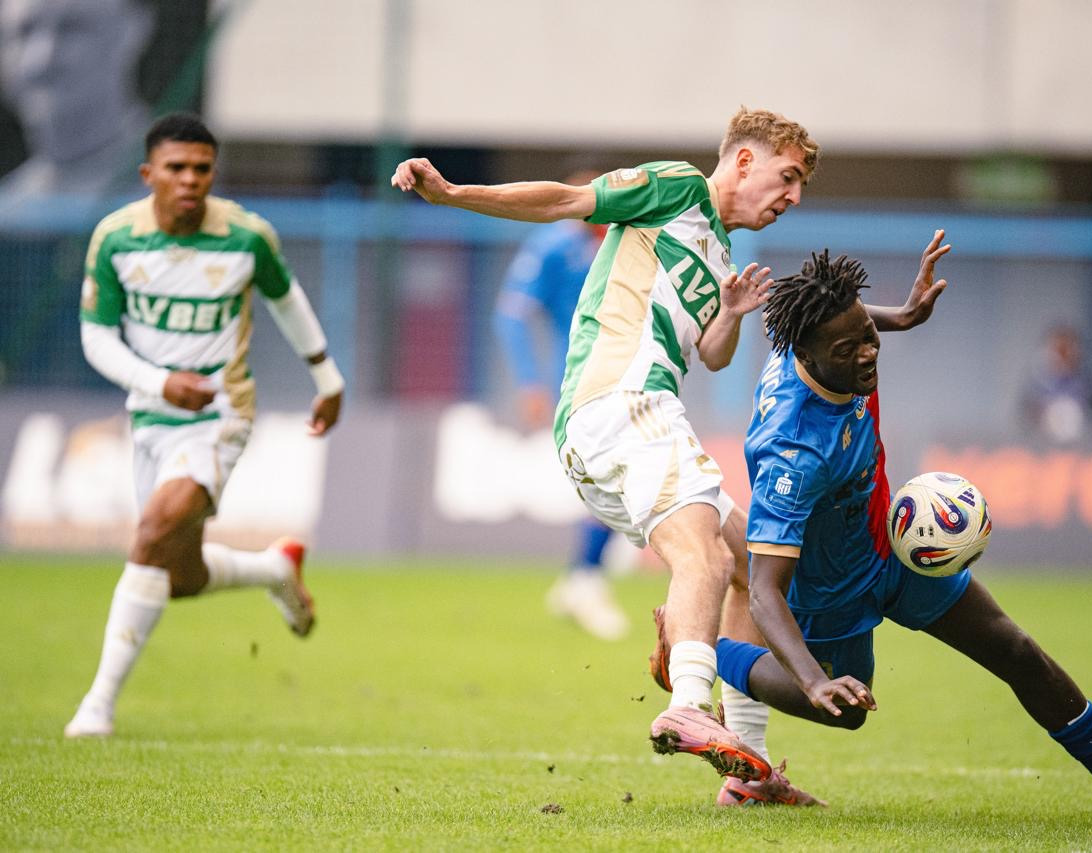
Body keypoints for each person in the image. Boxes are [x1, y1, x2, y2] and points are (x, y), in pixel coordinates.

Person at [393, 108, 944, 789]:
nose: (794, 196)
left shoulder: (721, 254)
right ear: (744, 161)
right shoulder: (676, 188)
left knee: (751, 563)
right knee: (705, 556)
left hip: (628, 424)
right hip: (621, 402)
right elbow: (566, 201)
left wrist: (737, 314)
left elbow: (712, 355)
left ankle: (748, 775)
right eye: (788, 176)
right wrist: (452, 194)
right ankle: (686, 704)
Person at [704, 246, 1092, 825]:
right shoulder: (791, 454)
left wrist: (901, 316)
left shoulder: (822, 337)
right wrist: (810, 680)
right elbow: (764, 591)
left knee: (1015, 649)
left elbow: (841, 318)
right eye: (847, 350)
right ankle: (702, 649)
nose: (867, 355)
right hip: (829, 590)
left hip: (891, 549)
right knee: (845, 711)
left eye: (867, 337)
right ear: (806, 354)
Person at [64, 113, 346, 738]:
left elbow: (286, 299)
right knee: (176, 576)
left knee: (152, 532)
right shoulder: (116, 239)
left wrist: (327, 379)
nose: (190, 179)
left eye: (202, 169)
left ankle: (97, 706)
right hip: (150, 416)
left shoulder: (246, 236)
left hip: (221, 415)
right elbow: (96, 337)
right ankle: (274, 570)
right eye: (176, 168)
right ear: (149, 174)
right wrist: (159, 383)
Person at [491, 167, 629, 641]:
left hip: (630, 376)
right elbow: (512, 314)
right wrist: (529, 382)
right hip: (582, 382)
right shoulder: (552, 246)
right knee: (612, 477)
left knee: (619, 479)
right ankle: (585, 580)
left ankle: (581, 580)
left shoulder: (627, 238)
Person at [0, 0, 153, 199]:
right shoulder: (11, 202)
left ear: (132, 32)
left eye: (72, 28)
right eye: (24, 32)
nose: (40, 62)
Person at [1020, 324, 1092, 442]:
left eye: (1068, 350)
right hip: (1043, 446)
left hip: (1082, 445)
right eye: (1059, 350)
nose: (1063, 356)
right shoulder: (1035, 388)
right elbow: (1027, 422)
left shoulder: (1089, 387)